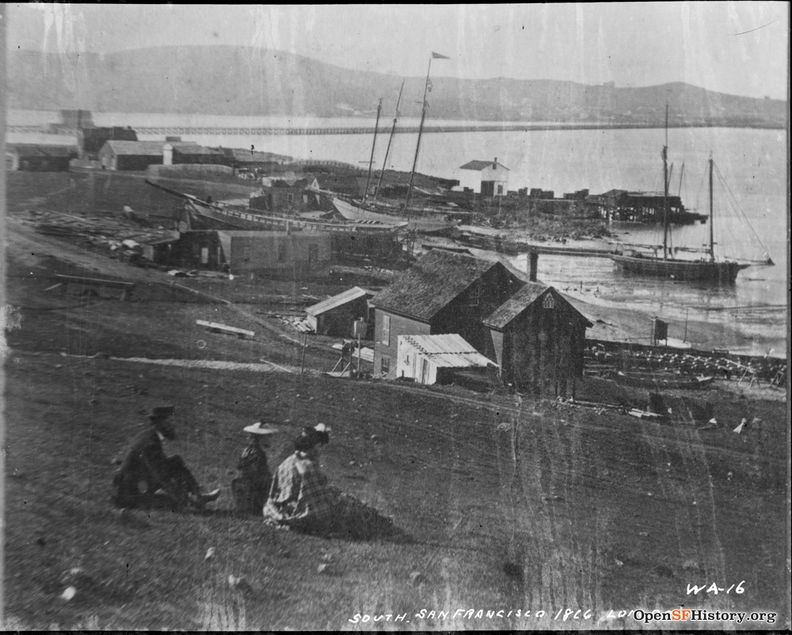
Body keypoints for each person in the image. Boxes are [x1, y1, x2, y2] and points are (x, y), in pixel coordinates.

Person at [112, 406, 220, 511]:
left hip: (137, 486)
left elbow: (162, 469)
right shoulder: (150, 443)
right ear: (162, 422)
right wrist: (179, 497)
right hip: (130, 496)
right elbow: (160, 476)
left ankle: (198, 495)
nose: (174, 426)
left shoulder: (150, 436)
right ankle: (193, 498)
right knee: (174, 503)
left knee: (175, 462)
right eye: (171, 422)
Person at [262, 424, 334, 531]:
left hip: (281, 507)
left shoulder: (287, 462)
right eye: (321, 447)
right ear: (316, 446)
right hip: (300, 509)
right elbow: (317, 501)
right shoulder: (308, 467)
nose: (320, 452)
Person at [231, 421, 279, 515]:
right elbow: (259, 476)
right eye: (269, 436)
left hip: (244, 486)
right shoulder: (259, 454)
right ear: (262, 438)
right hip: (255, 491)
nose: (271, 439)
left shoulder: (247, 450)